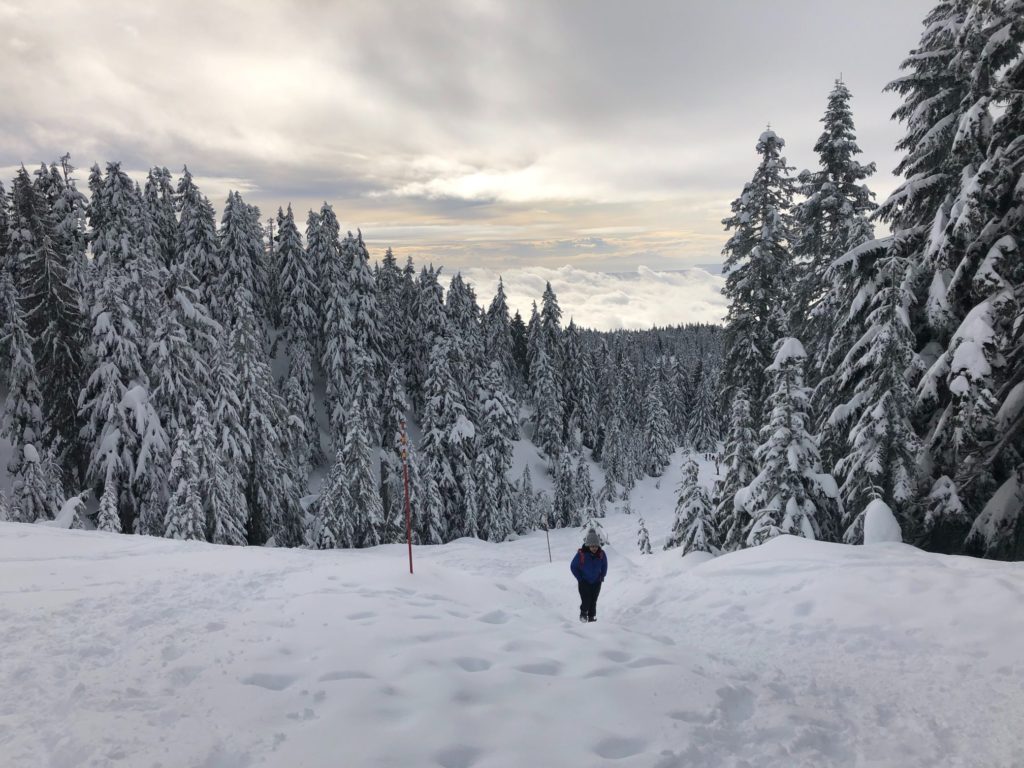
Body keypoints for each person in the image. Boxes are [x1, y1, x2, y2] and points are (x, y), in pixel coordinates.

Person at [570, 529, 608, 623]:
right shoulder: (581, 554)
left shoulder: (601, 554)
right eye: (592, 546)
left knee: (593, 601)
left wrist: (602, 576)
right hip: (584, 582)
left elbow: (604, 565)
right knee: (586, 599)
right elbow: (573, 566)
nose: (594, 548)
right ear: (588, 545)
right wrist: (579, 578)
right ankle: (583, 613)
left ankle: (591, 617)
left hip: (596, 582)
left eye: (595, 546)